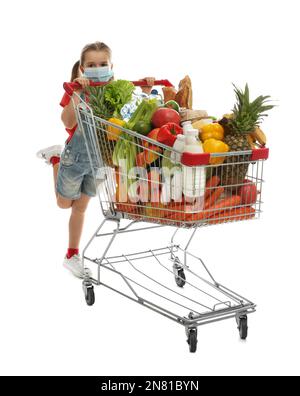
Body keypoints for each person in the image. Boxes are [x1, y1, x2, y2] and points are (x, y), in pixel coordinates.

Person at [36, 41, 155, 278]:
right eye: (91, 64)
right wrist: (77, 93)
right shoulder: (77, 91)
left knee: (80, 208)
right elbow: (68, 122)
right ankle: (56, 158)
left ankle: (71, 255)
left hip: (102, 161)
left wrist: (144, 90)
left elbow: (131, 116)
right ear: (82, 68)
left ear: (112, 66)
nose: (97, 68)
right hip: (76, 157)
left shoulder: (117, 92)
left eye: (102, 64)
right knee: (63, 204)